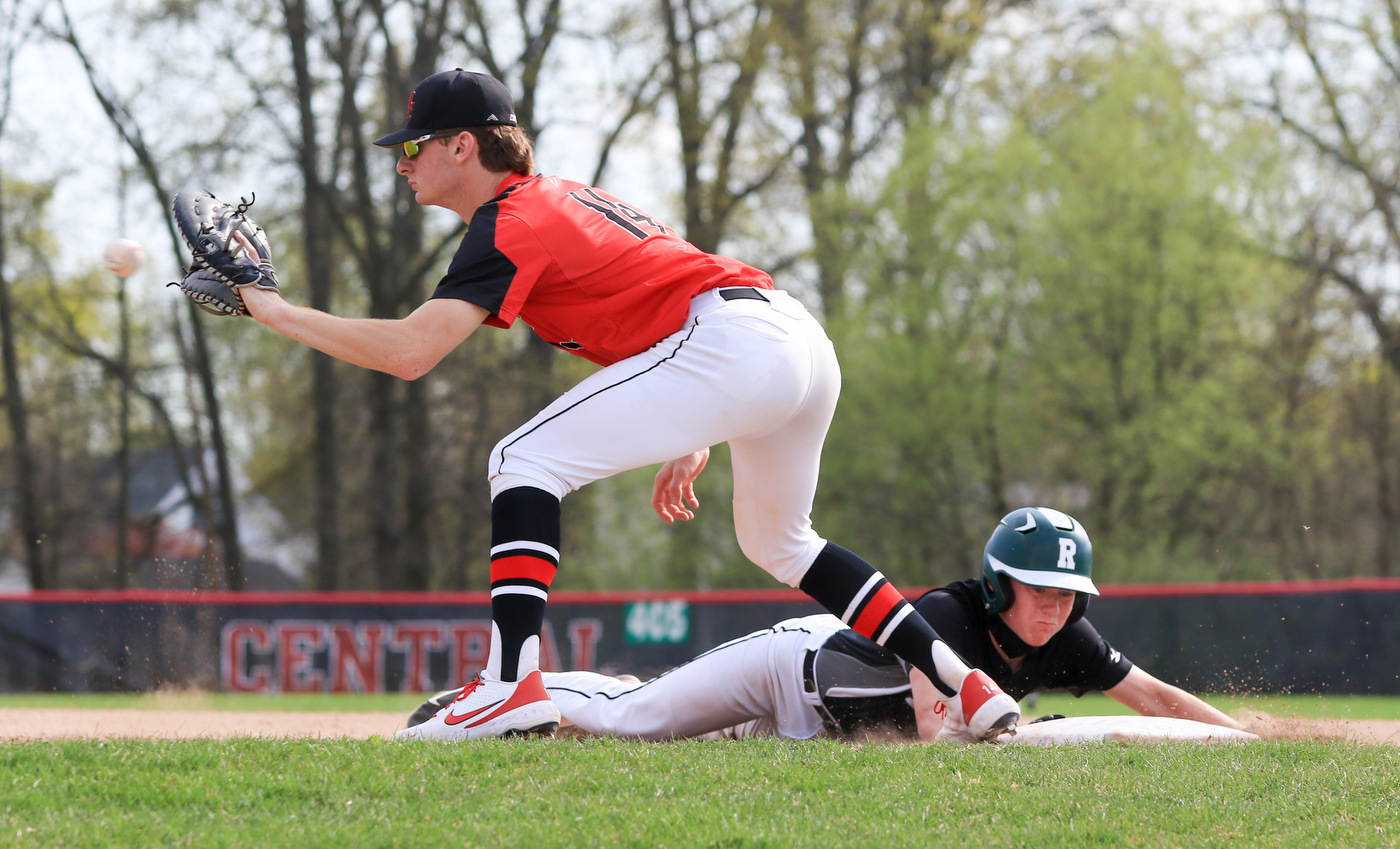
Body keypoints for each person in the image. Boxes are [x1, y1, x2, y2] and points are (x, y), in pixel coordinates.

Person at [236, 67, 1019, 742]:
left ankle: (511, 684)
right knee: (781, 540)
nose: (402, 162)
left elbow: (412, 352)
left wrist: (270, 309)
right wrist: (696, 424)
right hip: (793, 338)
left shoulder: (509, 219)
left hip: (736, 340)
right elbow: (658, 296)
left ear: (461, 146)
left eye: (413, 145)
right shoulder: (566, 198)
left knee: (521, 460)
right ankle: (967, 683)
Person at [406, 507, 1243, 742]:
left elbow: (1157, 699)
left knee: (690, 749)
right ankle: (489, 697)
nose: (1057, 604)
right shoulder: (947, 616)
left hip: (818, 733)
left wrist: (1246, 740)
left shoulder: (1068, 637)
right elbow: (929, 720)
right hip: (790, 670)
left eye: (1068, 590)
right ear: (998, 584)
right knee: (631, 718)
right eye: (1039, 587)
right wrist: (1020, 741)